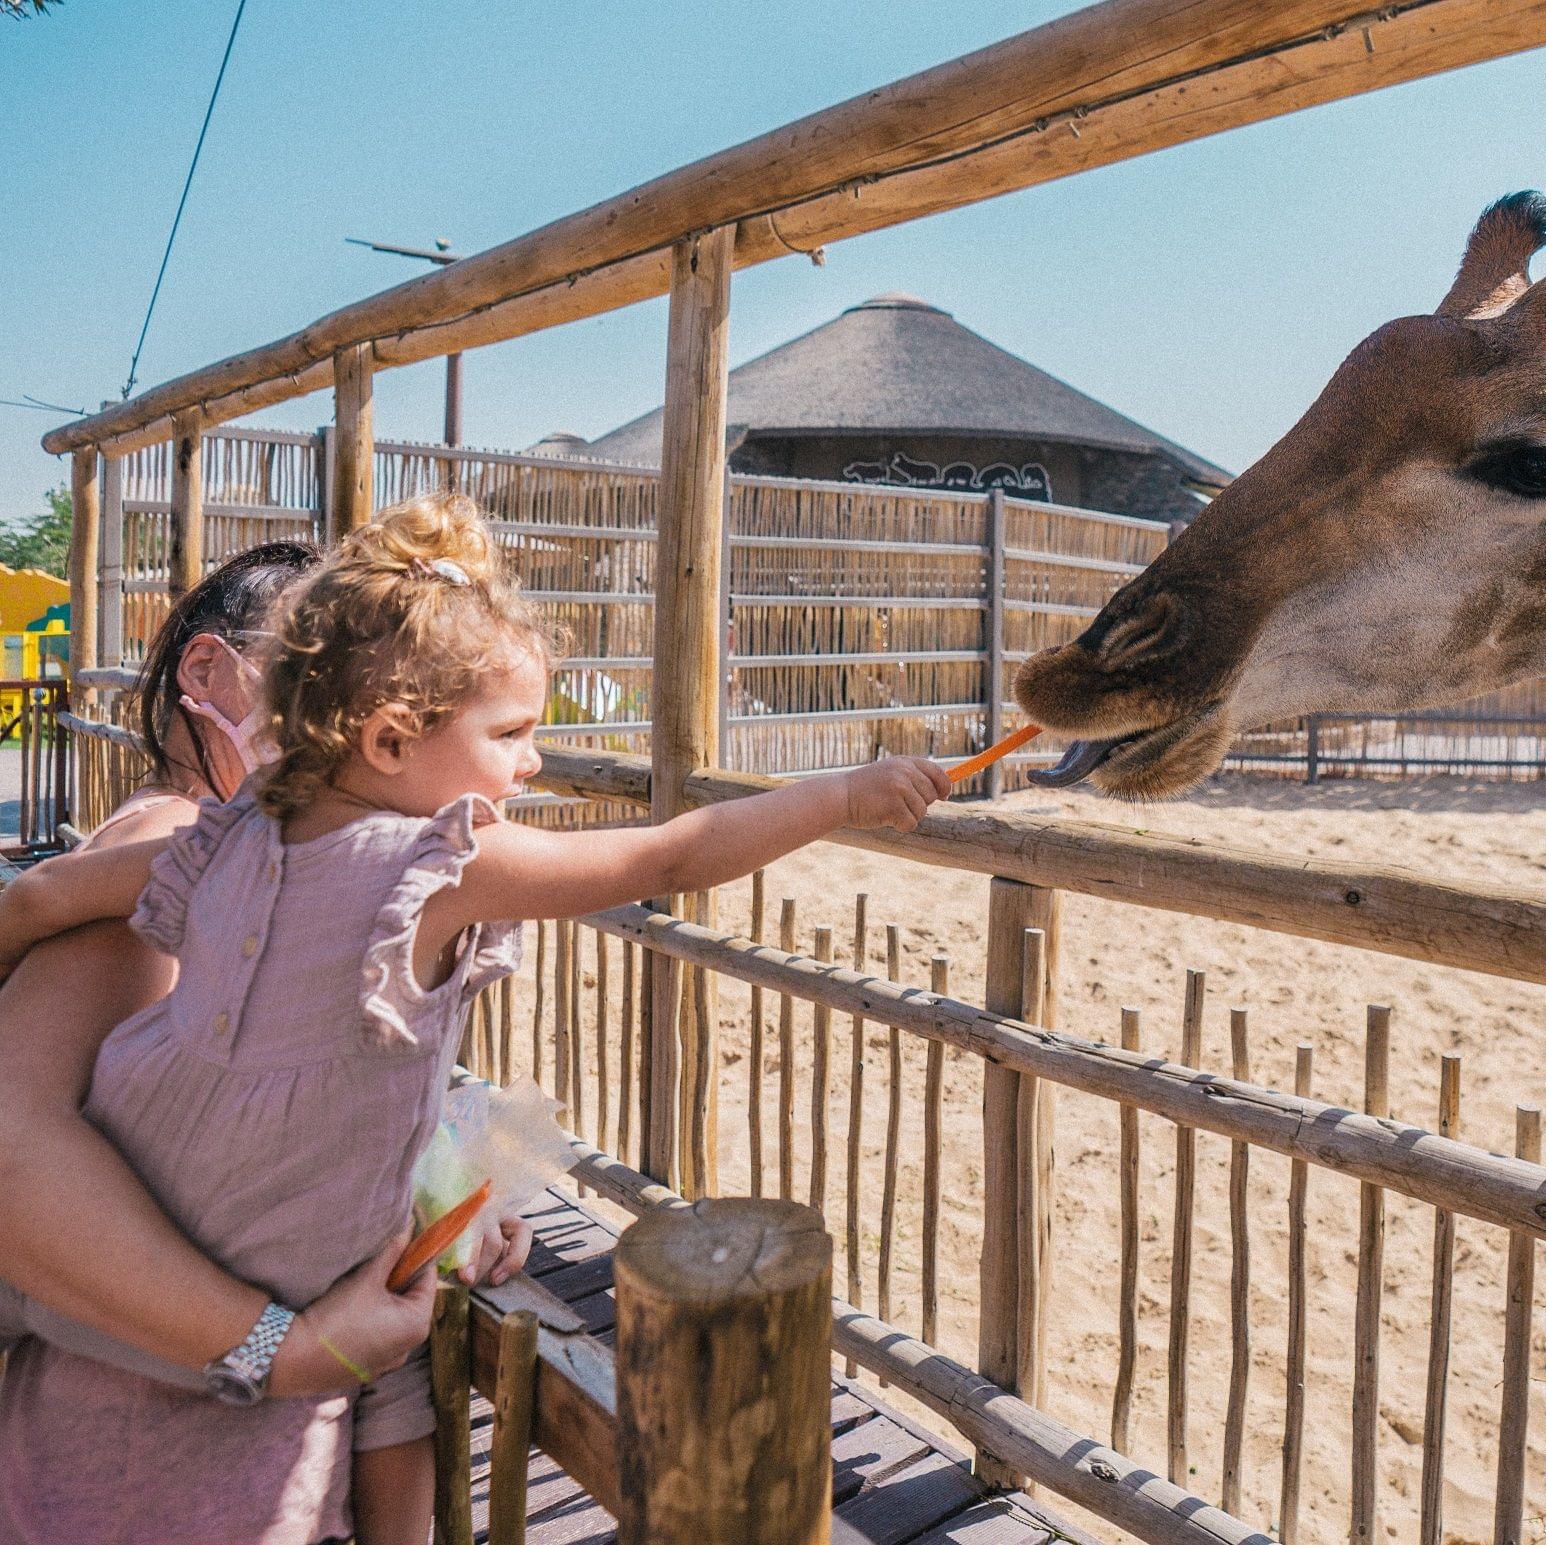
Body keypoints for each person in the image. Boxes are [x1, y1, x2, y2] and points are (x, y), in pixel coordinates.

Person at [0, 493, 951, 1542]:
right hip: (261, 1329)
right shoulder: (431, 861)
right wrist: (841, 796)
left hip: (109, 1312)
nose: (533, 762)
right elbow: (670, 853)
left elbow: (49, 897)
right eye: (510, 734)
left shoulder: (223, 839)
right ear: (393, 740)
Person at [0, 540, 532, 1543]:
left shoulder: (284, 885)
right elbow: (14, 1156)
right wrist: (277, 1351)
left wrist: (436, 1187)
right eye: (309, 666)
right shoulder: (166, 859)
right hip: (131, 1481)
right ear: (211, 676)